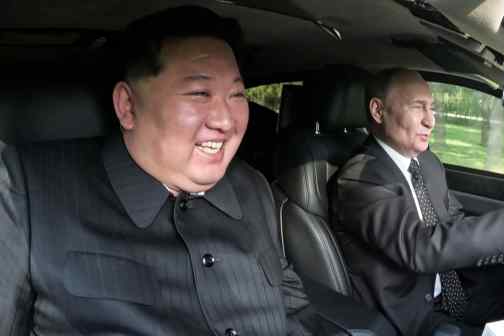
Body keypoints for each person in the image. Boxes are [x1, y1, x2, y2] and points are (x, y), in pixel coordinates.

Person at [0, 6, 316, 335]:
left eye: (237, 94)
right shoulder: (24, 191)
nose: (225, 121)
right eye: (199, 93)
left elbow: (292, 306)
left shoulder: (251, 186)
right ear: (127, 106)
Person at [331, 68, 504, 336]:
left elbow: (454, 223)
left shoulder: (427, 163)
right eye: (418, 107)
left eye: (432, 108)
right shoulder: (360, 179)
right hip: (413, 319)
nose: (431, 120)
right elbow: (422, 248)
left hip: (459, 292)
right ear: (378, 111)